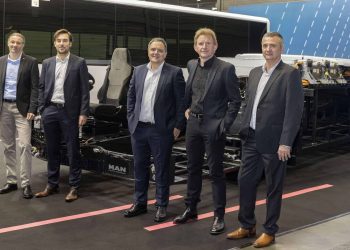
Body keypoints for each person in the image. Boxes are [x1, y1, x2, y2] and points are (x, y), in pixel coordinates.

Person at [226, 32, 304, 248]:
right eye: (265, 45)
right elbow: (250, 104)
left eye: (273, 46)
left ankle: (269, 231)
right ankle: (247, 225)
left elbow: (294, 111)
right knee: (245, 182)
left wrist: (286, 142)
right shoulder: (253, 73)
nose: (268, 49)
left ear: (281, 48)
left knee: (273, 187)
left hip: (274, 142)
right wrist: (241, 128)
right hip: (250, 138)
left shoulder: (290, 74)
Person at [173, 28, 241, 235]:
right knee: (193, 169)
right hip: (193, 124)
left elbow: (235, 100)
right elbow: (188, 94)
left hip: (213, 127)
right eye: (200, 43)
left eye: (208, 43)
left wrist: (223, 125)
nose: (204, 47)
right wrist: (186, 113)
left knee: (215, 172)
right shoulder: (192, 65)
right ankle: (191, 208)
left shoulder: (226, 68)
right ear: (195, 46)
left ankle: (219, 216)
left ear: (215, 46)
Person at [124, 37, 186, 222]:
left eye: (159, 50)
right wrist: (131, 119)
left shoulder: (174, 73)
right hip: (139, 129)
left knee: (161, 169)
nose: (155, 53)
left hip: (162, 130)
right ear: (148, 51)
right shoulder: (139, 71)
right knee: (139, 167)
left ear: (165, 54)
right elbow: (131, 97)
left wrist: (178, 126)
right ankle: (140, 203)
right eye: (153, 50)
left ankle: (161, 205)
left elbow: (181, 103)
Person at [35, 29, 90, 202]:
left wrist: (83, 112)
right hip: (50, 110)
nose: (62, 43)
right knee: (52, 150)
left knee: (73, 150)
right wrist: (42, 109)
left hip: (70, 112)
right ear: (54, 43)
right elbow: (42, 87)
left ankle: (74, 186)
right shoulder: (47, 63)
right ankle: (52, 184)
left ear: (70, 43)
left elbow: (84, 90)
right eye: (59, 40)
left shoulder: (79, 62)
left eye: (65, 40)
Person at [0, 33, 39, 199]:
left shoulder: (31, 62)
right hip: (4, 108)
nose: (15, 45)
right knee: (8, 146)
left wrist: (33, 108)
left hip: (22, 109)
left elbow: (35, 88)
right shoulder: (1, 61)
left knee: (24, 146)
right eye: (12, 42)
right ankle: (11, 181)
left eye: (18, 43)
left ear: (23, 45)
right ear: (8, 43)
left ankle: (25, 183)